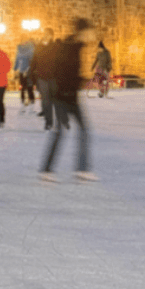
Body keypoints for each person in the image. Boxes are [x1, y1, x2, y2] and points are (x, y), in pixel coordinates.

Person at [40, 18, 97, 182]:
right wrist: (81, 81)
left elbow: (68, 73)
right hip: (65, 97)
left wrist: (81, 80)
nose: (92, 35)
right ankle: (76, 169)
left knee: (69, 132)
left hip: (67, 96)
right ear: (83, 32)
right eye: (90, 32)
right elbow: (63, 73)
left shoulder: (74, 46)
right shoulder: (70, 48)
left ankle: (51, 169)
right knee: (70, 132)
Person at [30, 28, 60, 131]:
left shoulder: (56, 47)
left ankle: (58, 122)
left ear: (51, 36)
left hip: (53, 77)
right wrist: (31, 76)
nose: (45, 35)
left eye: (48, 34)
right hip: (42, 77)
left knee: (55, 100)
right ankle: (48, 122)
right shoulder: (39, 47)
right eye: (45, 33)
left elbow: (61, 62)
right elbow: (33, 62)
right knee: (45, 101)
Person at [14, 36, 36, 110]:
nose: (23, 42)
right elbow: (17, 59)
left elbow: (31, 61)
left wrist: (27, 70)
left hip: (28, 70)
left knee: (29, 86)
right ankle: (23, 100)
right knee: (23, 86)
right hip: (21, 71)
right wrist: (15, 68)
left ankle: (31, 99)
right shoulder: (19, 49)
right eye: (22, 40)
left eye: (24, 40)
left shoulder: (29, 49)